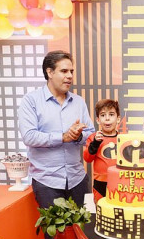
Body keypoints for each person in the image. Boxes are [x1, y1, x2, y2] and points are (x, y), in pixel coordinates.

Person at [18, 50, 95, 211]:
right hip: (47, 182)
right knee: (54, 228)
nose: (70, 76)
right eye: (64, 71)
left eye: (71, 71)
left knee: (84, 226)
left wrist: (77, 136)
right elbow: (29, 136)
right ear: (50, 72)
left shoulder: (79, 102)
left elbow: (90, 135)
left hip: (77, 179)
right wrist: (63, 137)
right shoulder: (31, 101)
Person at [83, 99, 120, 203]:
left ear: (118, 119)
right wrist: (95, 143)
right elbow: (87, 158)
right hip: (100, 183)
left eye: (111, 114)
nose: (107, 118)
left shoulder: (123, 139)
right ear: (98, 120)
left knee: (118, 209)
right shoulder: (93, 137)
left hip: (120, 181)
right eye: (103, 115)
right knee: (100, 209)